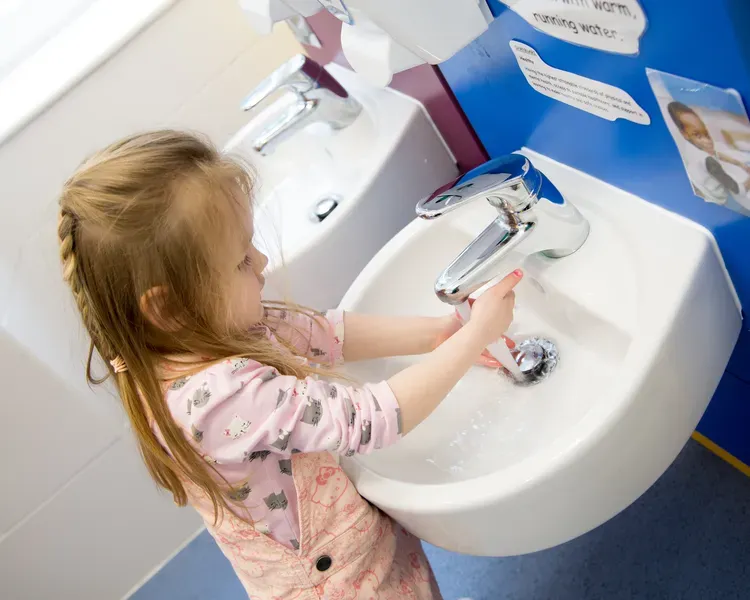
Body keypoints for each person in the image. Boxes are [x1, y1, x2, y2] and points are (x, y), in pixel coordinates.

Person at [57, 130, 521, 599]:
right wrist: (476, 336)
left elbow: (322, 334)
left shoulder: (190, 334)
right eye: (240, 260)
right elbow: (372, 418)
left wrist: (438, 334)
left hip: (360, 552)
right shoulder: (218, 401)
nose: (260, 262)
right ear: (169, 308)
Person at [667, 101, 750, 206]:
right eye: (698, 135)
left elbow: (716, 154)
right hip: (722, 202)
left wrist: (740, 164)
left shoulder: (690, 147)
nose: (708, 141)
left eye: (706, 134)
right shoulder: (708, 161)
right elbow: (739, 190)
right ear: (684, 134)